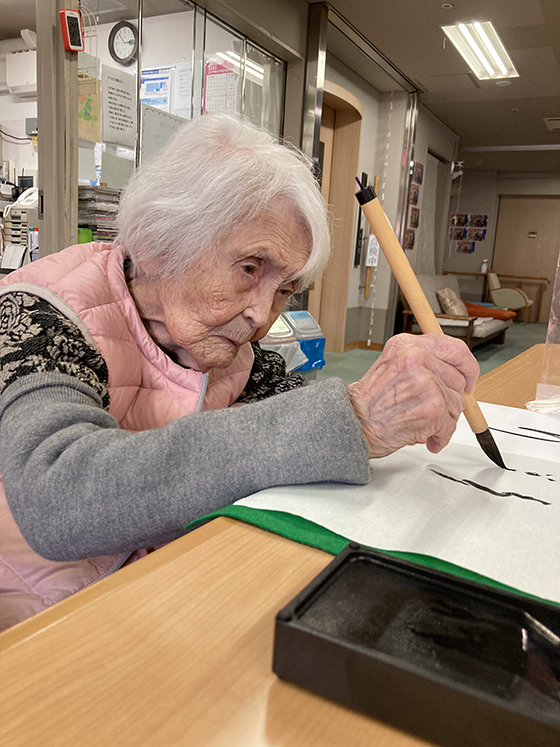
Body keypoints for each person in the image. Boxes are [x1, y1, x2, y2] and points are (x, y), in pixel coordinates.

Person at [0, 114, 478, 630]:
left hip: (156, 600)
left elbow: (292, 430)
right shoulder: (36, 316)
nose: (261, 314)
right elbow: (59, 498)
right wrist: (355, 420)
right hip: (40, 630)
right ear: (162, 241)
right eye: (250, 268)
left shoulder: (234, 349)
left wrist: (379, 411)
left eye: (284, 290)